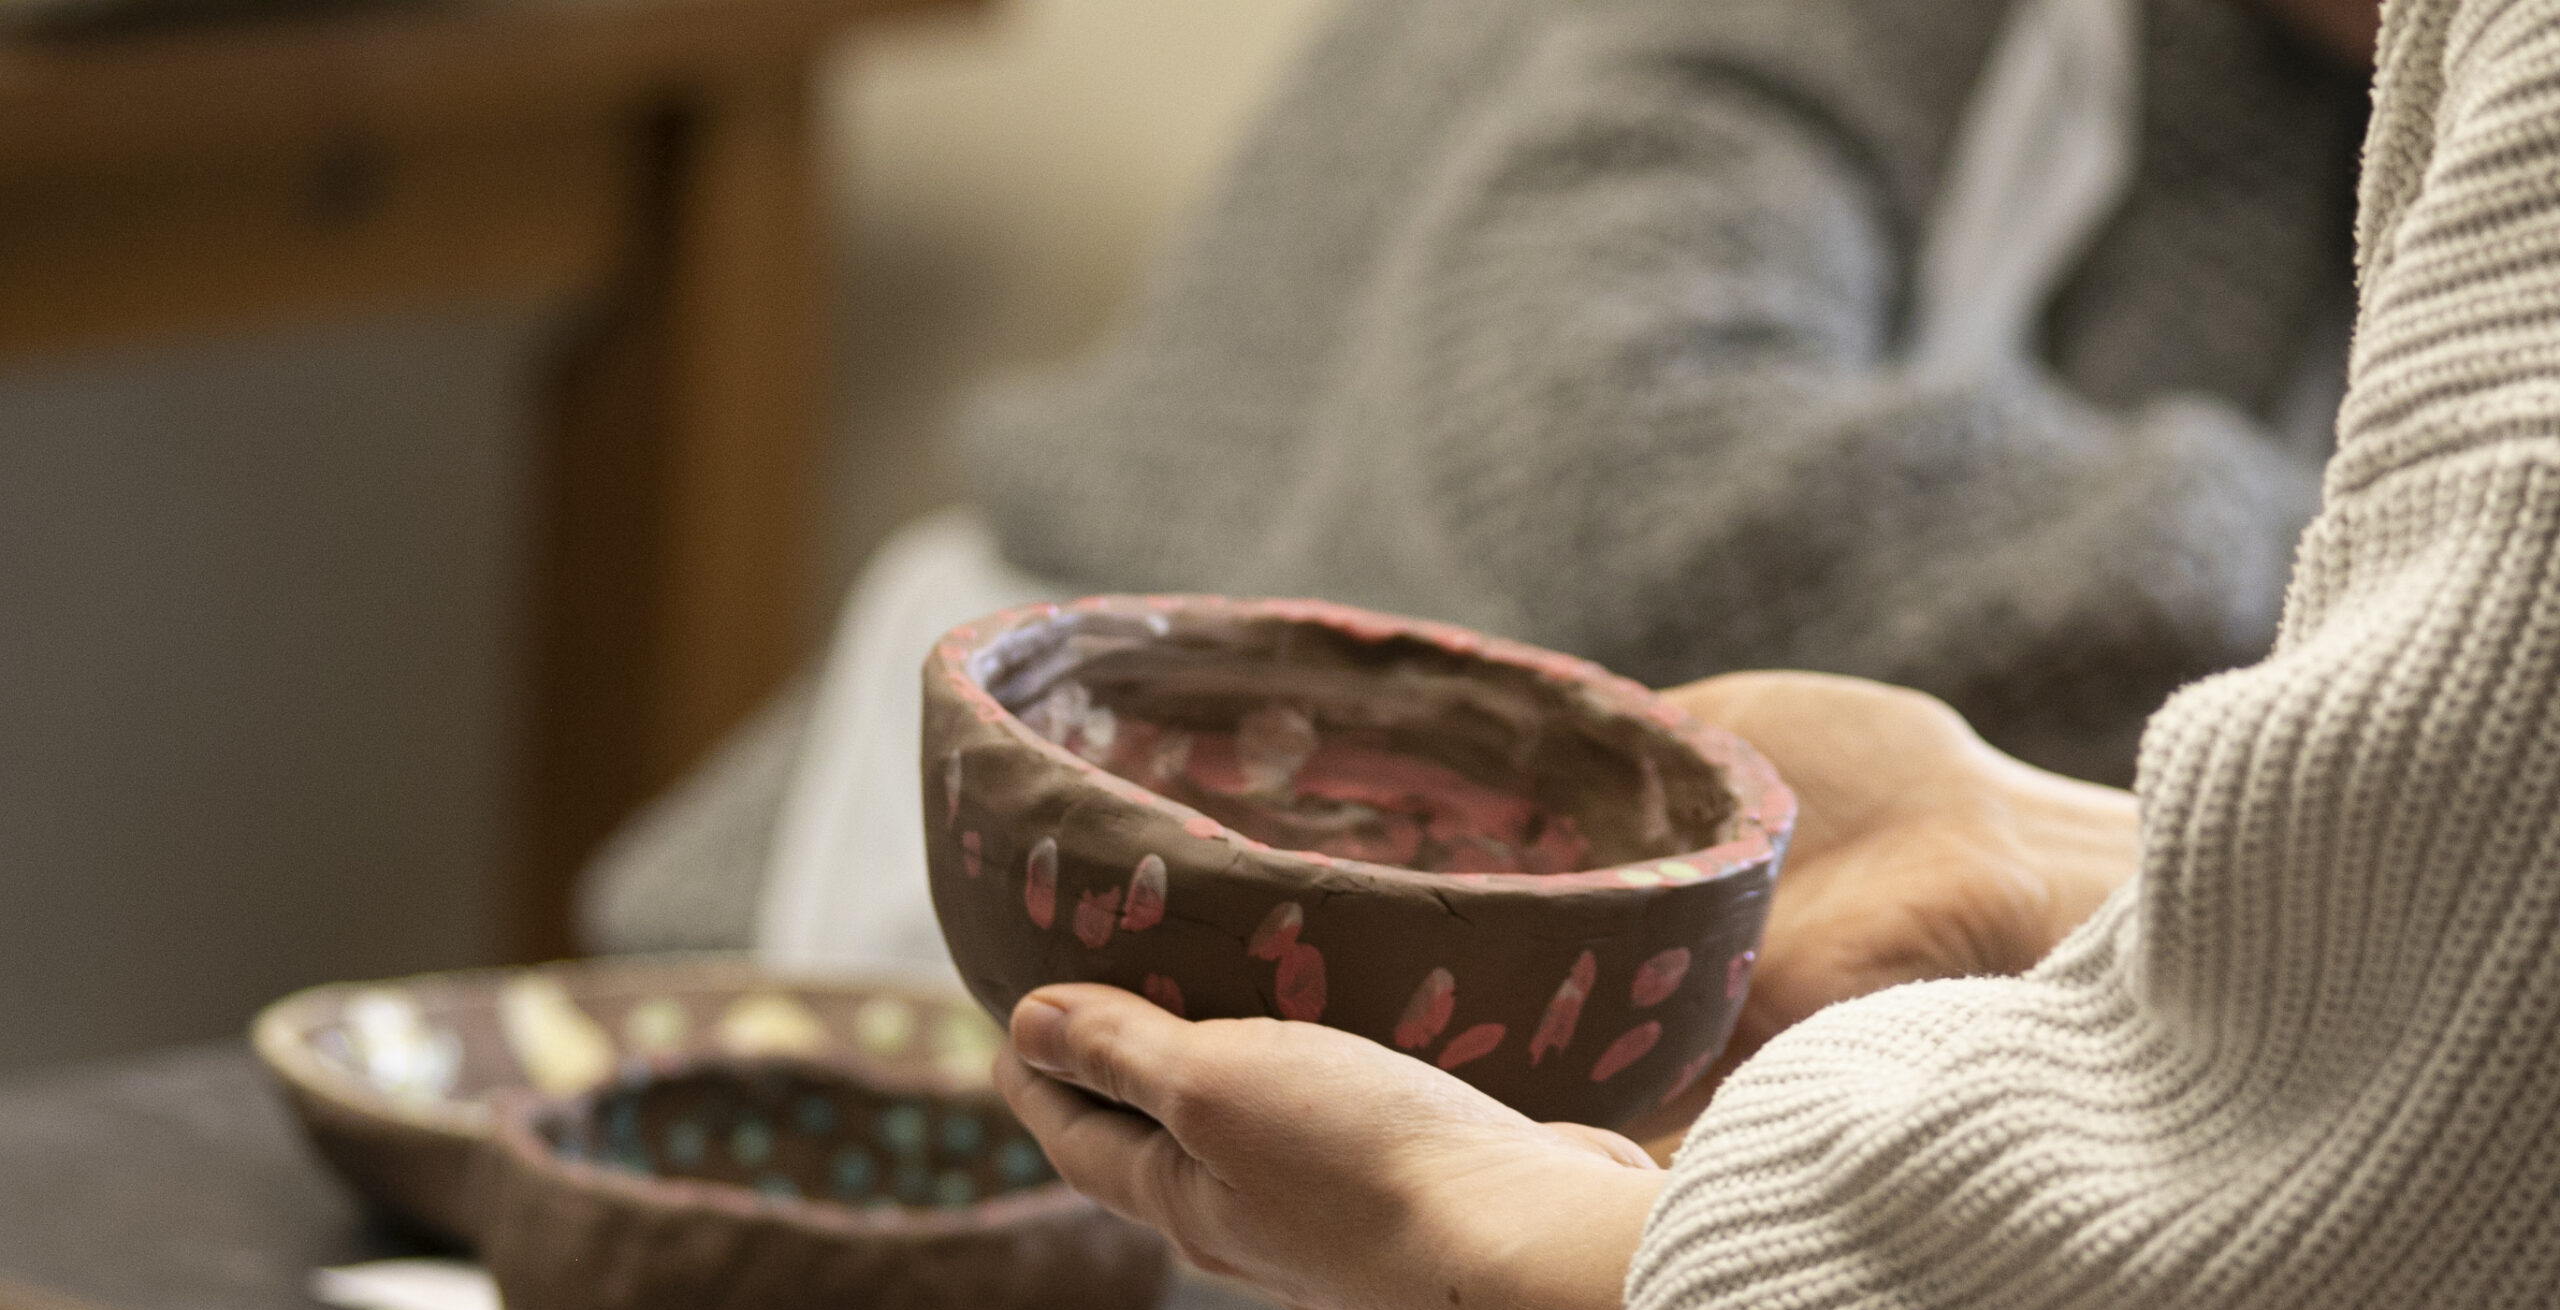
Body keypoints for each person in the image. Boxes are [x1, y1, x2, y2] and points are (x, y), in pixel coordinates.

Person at [993, 0, 2560, 1310]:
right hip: (1095, 868)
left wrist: (1492, 1229)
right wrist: (2105, 817)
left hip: (1459, 1176)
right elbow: (1617, 472)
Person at [579, 0, 2370, 972]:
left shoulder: (2366, 87)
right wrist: (2417, 556)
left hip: (1467, 1060)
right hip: (992, 946)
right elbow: (1619, 477)